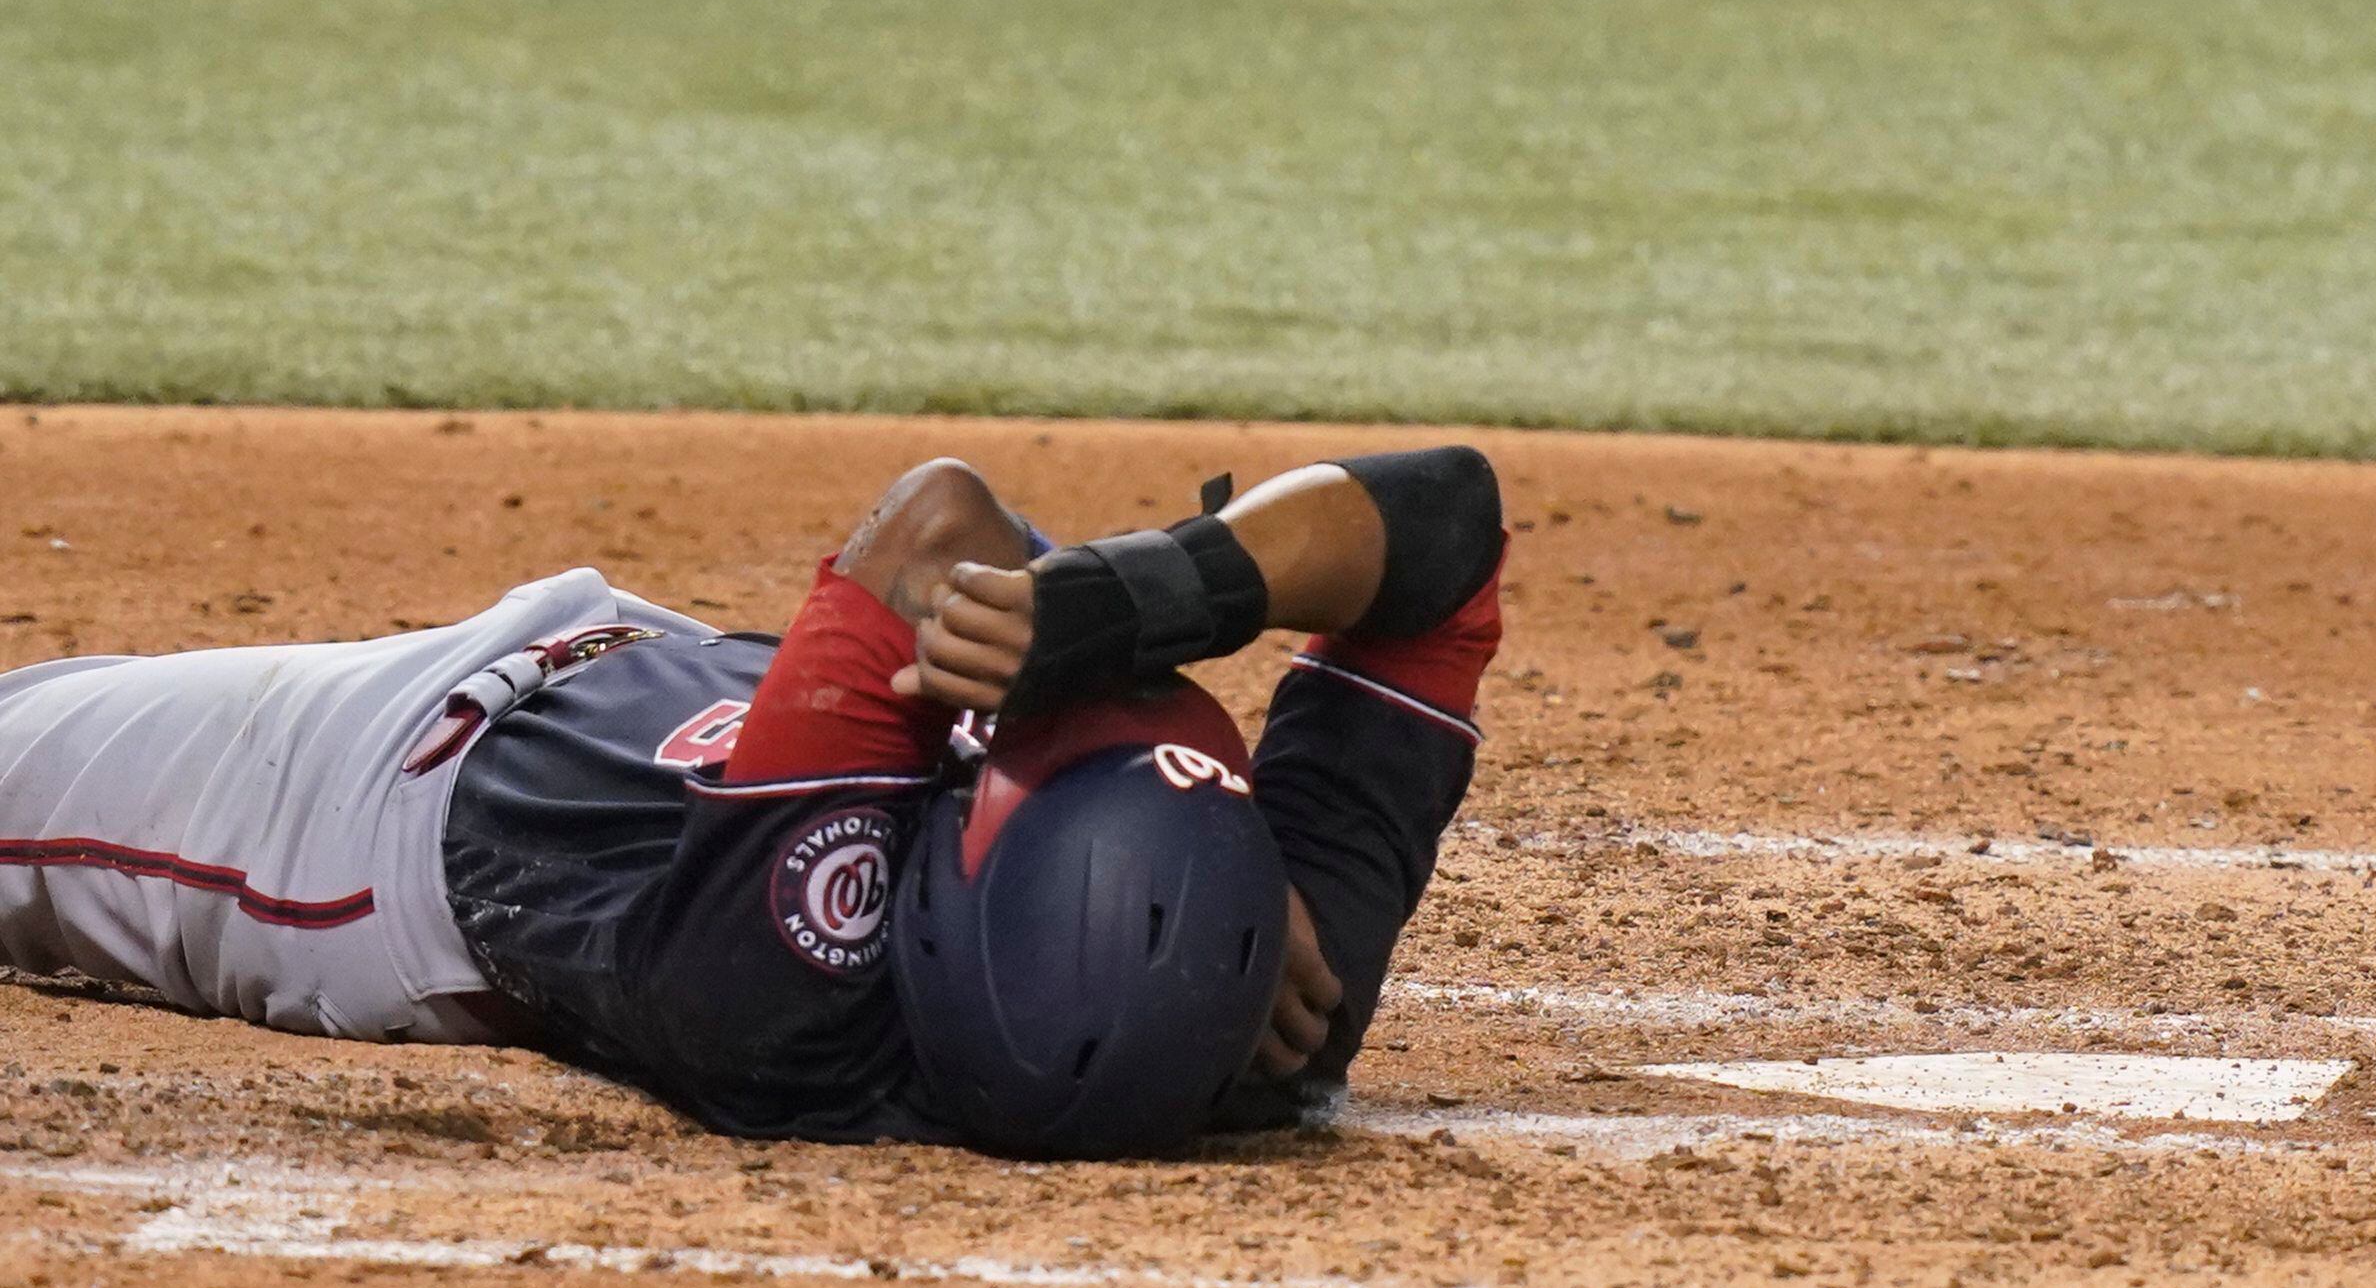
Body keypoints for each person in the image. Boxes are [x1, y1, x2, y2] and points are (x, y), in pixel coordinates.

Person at [0, 444, 1504, 1153]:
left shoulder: (782, 991)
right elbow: (1449, 531)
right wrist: (1154, 592)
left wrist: (1086, 642)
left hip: (345, 819)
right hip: (646, 664)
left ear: (930, 910)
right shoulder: (1260, 998)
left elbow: (930, 516)